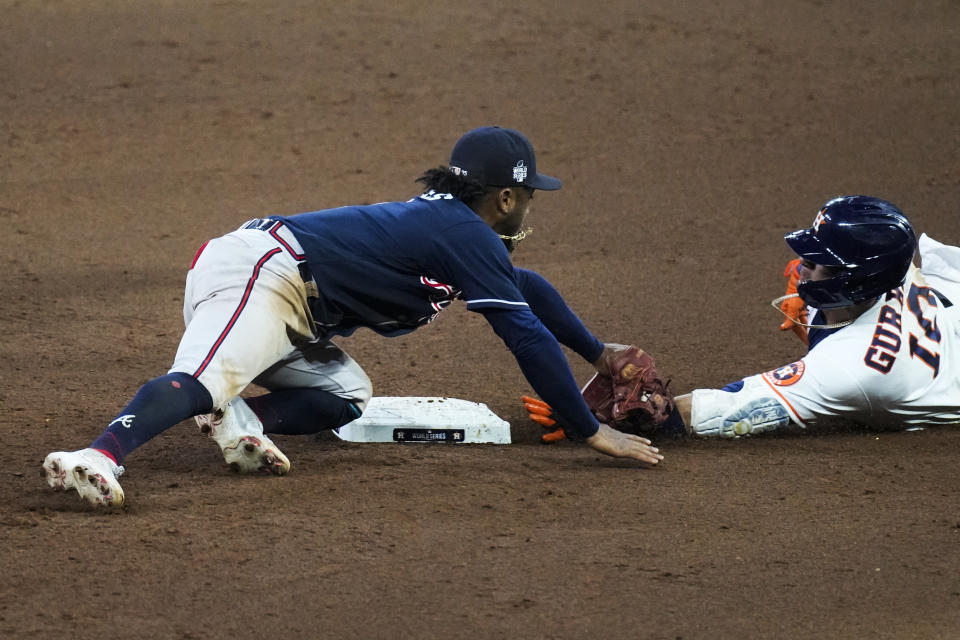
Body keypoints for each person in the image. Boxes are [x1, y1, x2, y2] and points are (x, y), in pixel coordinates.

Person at [42, 126, 663, 507]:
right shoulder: (463, 233)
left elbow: (527, 290)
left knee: (345, 393)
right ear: (505, 197)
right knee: (202, 378)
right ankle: (98, 455)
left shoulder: (456, 232)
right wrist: (590, 430)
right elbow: (524, 333)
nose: (529, 209)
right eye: (528, 197)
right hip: (265, 273)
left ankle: (239, 420)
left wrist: (598, 353)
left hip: (291, 298)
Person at [674, 195, 960, 437]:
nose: (801, 266)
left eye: (814, 262)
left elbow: (724, 409)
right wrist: (816, 282)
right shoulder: (889, 263)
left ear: (853, 280)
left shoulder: (849, 367)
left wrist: (647, 414)